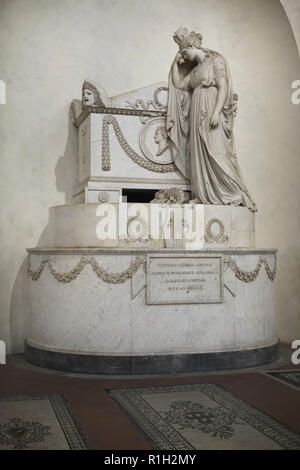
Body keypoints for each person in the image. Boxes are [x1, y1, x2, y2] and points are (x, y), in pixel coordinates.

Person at [167, 31, 257, 212]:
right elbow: (178, 84)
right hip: (196, 114)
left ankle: (233, 193)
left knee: (216, 152)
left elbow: (223, 87)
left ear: (192, 47)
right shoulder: (194, 72)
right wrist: (175, 65)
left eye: (184, 53)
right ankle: (204, 196)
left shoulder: (215, 61)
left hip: (211, 109)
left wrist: (216, 112)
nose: (184, 57)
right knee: (200, 154)